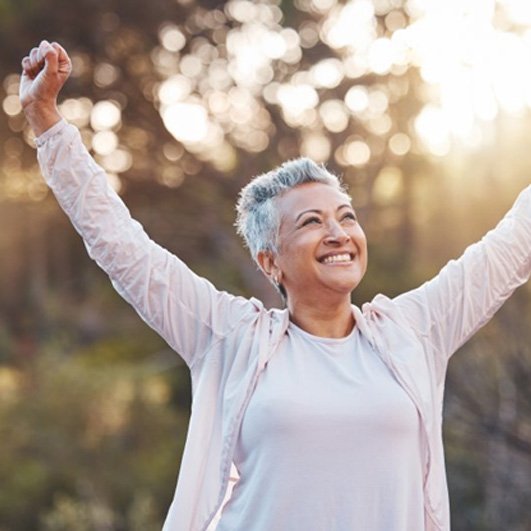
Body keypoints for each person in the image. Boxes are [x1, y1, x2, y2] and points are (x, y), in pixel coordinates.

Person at [20, 40, 531, 531]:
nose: (338, 234)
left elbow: (512, 243)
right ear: (270, 262)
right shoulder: (229, 337)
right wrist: (47, 122)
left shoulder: (414, 331)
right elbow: (120, 245)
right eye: (311, 222)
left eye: (346, 216)